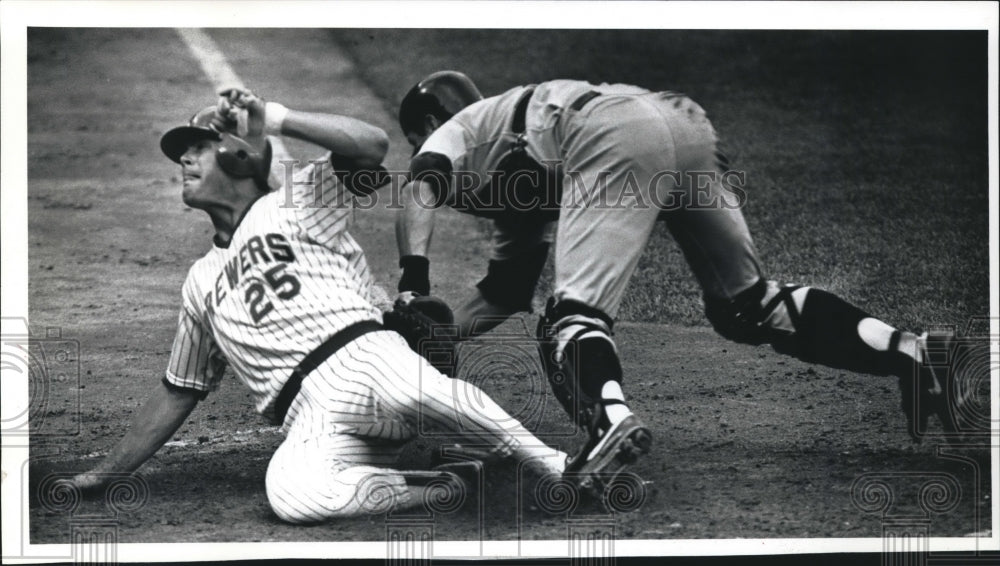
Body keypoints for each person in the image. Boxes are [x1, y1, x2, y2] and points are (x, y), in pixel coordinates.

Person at [393, 71, 968, 491]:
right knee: (747, 306)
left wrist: (413, 286)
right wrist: (439, 335)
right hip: (683, 125)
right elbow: (504, 293)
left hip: (611, 130)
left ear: (425, 124)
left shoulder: (466, 125)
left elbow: (422, 182)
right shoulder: (513, 161)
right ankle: (914, 351)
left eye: (419, 138)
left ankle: (609, 422)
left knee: (571, 318)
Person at [70, 88, 566, 523]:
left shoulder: (298, 198)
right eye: (184, 153)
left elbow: (372, 146)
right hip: (310, 415)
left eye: (199, 148)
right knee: (292, 494)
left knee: (417, 389)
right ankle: (452, 484)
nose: (185, 160)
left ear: (241, 157)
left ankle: (559, 467)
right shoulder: (199, 282)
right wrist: (105, 472)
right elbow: (179, 389)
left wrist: (274, 116)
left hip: (364, 359)